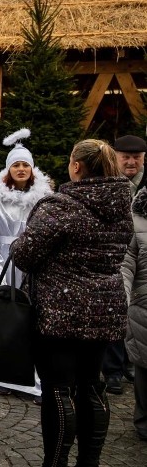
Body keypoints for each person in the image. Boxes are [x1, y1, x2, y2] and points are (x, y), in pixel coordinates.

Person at [11, 139, 133, 467]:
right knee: (92, 384)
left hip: (61, 313)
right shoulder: (122, 205)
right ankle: (89, 462)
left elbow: (24, 255)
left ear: (76, 166)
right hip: (105, 309)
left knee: (58, 389)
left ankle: (55, 463)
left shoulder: (62, 206)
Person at [0, 129, 53, 402]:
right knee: (2, 319)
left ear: (33, 169)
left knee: (30, 320)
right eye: (15, 164)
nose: (21, 169)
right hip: (2, 265)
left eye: (25, 164)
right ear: (8, 169)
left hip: (32, 265)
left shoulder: (43, 199)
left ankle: (31, 376)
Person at [105, 134, 147, 394]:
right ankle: (112, 370)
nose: (131, 162)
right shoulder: (108, 182)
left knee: (137, 314)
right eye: (126, 157)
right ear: (116, 158)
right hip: (113, 252)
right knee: (115, 309)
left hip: (142, 255)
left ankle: (133, 362)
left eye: (137, 157)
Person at [121, 186, 147, 442]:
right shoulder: (137, 218)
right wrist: (124, 296)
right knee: (144, 365)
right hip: (143, 305)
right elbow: (127, 263)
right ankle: (143, 420)